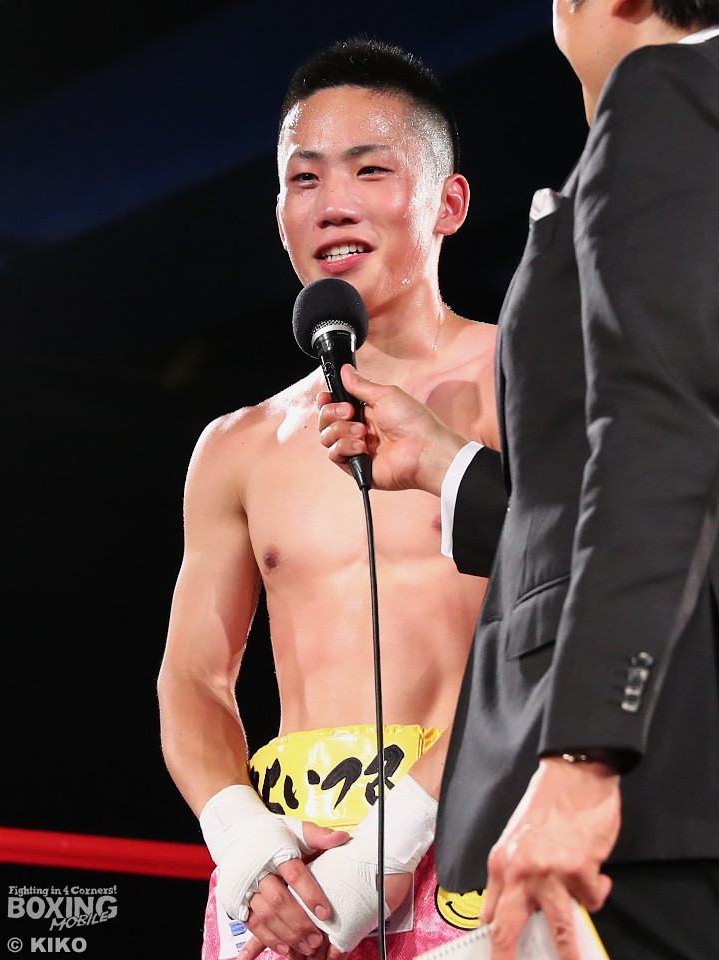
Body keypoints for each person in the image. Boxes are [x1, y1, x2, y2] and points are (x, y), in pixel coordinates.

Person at [318, 3, 719, 958]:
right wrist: (449, 468)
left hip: (653, 789)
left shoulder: (667, 95)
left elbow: (660, 439)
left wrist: (583, 758)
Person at [157, 38, 507, 960]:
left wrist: (387, 849)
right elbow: (193, 678)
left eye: (370, 169)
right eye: (304, 178)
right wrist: (248, 844)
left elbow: (562, 629)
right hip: (290, 879)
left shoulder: (529, 383)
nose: (332, 203)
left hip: (473, 846)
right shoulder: (237, 446)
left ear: (448, 202)